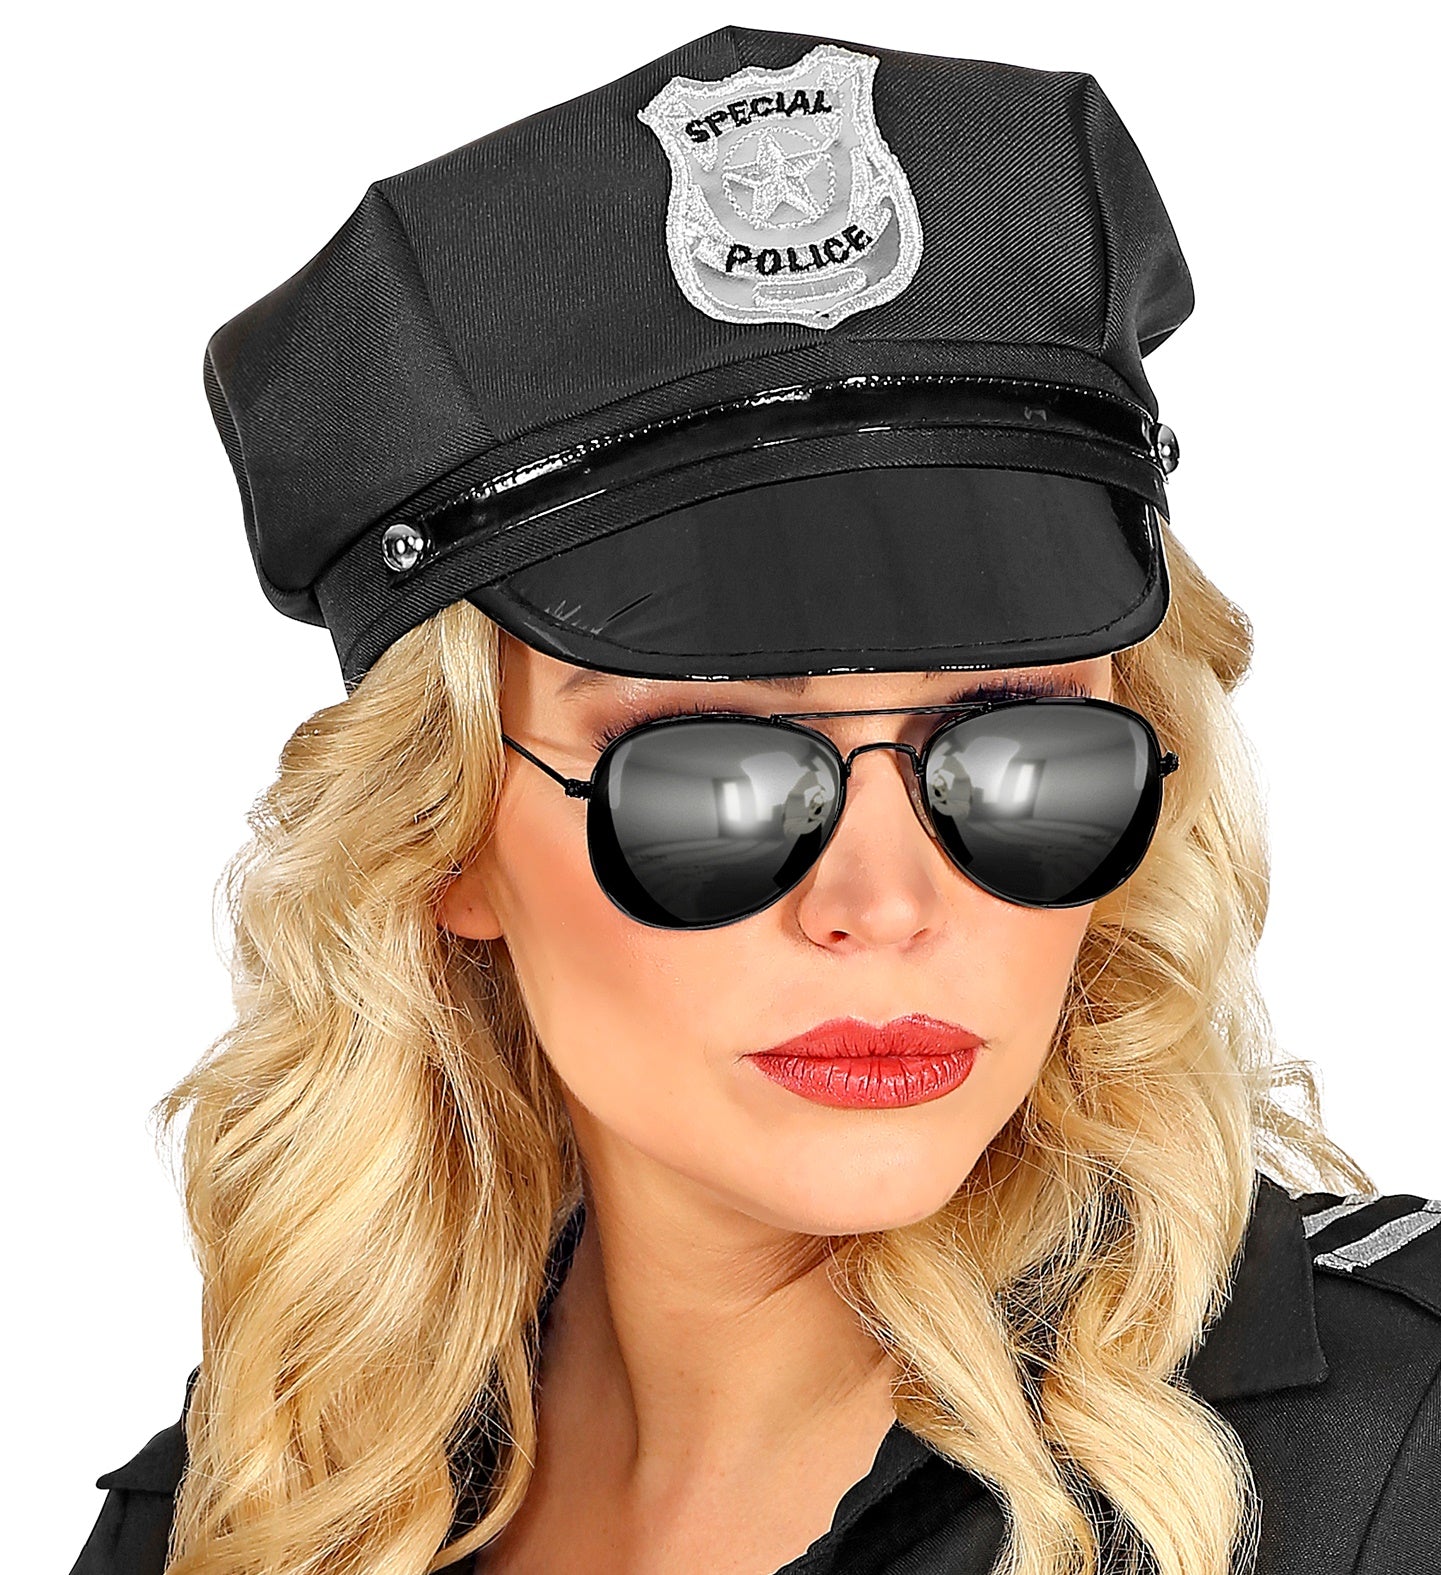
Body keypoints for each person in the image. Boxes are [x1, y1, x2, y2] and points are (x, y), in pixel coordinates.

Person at [70, 24, 1438, 1575]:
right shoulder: (259, 1505)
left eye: (1016, 760)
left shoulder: (1400, 1452)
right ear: (447, 841)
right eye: (715, 779)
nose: (886, 903)